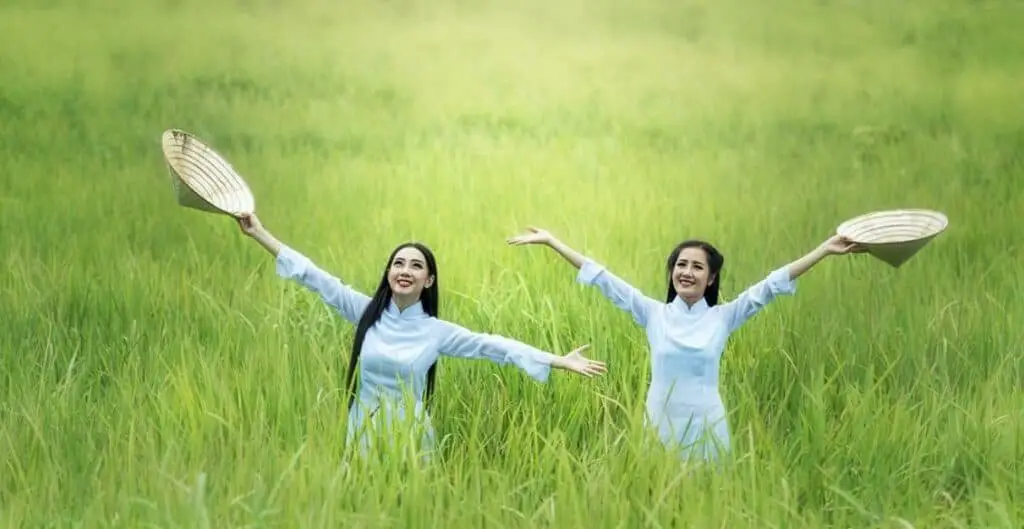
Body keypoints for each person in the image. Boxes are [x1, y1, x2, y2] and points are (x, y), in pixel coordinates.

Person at [235, 213, 607, 461]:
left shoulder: (435, 332)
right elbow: (313, 276)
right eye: (398, 263)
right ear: (388, 272)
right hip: (360, 432)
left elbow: (495, 345)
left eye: (416, 265)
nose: (405, 270)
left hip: (410, 439)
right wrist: (259, 233)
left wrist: (558, 360)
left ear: (428, 280)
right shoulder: (366, 312)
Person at [506, 226, 865, 463]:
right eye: (681, 264)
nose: (686, 272)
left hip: (708, 425)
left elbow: (771, 285)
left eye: (696, 267)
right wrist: (553, 241)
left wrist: (823, 250)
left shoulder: (723, 317)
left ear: (710, 279)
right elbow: (604, 278)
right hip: (659, 423)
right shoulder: (653, 314)